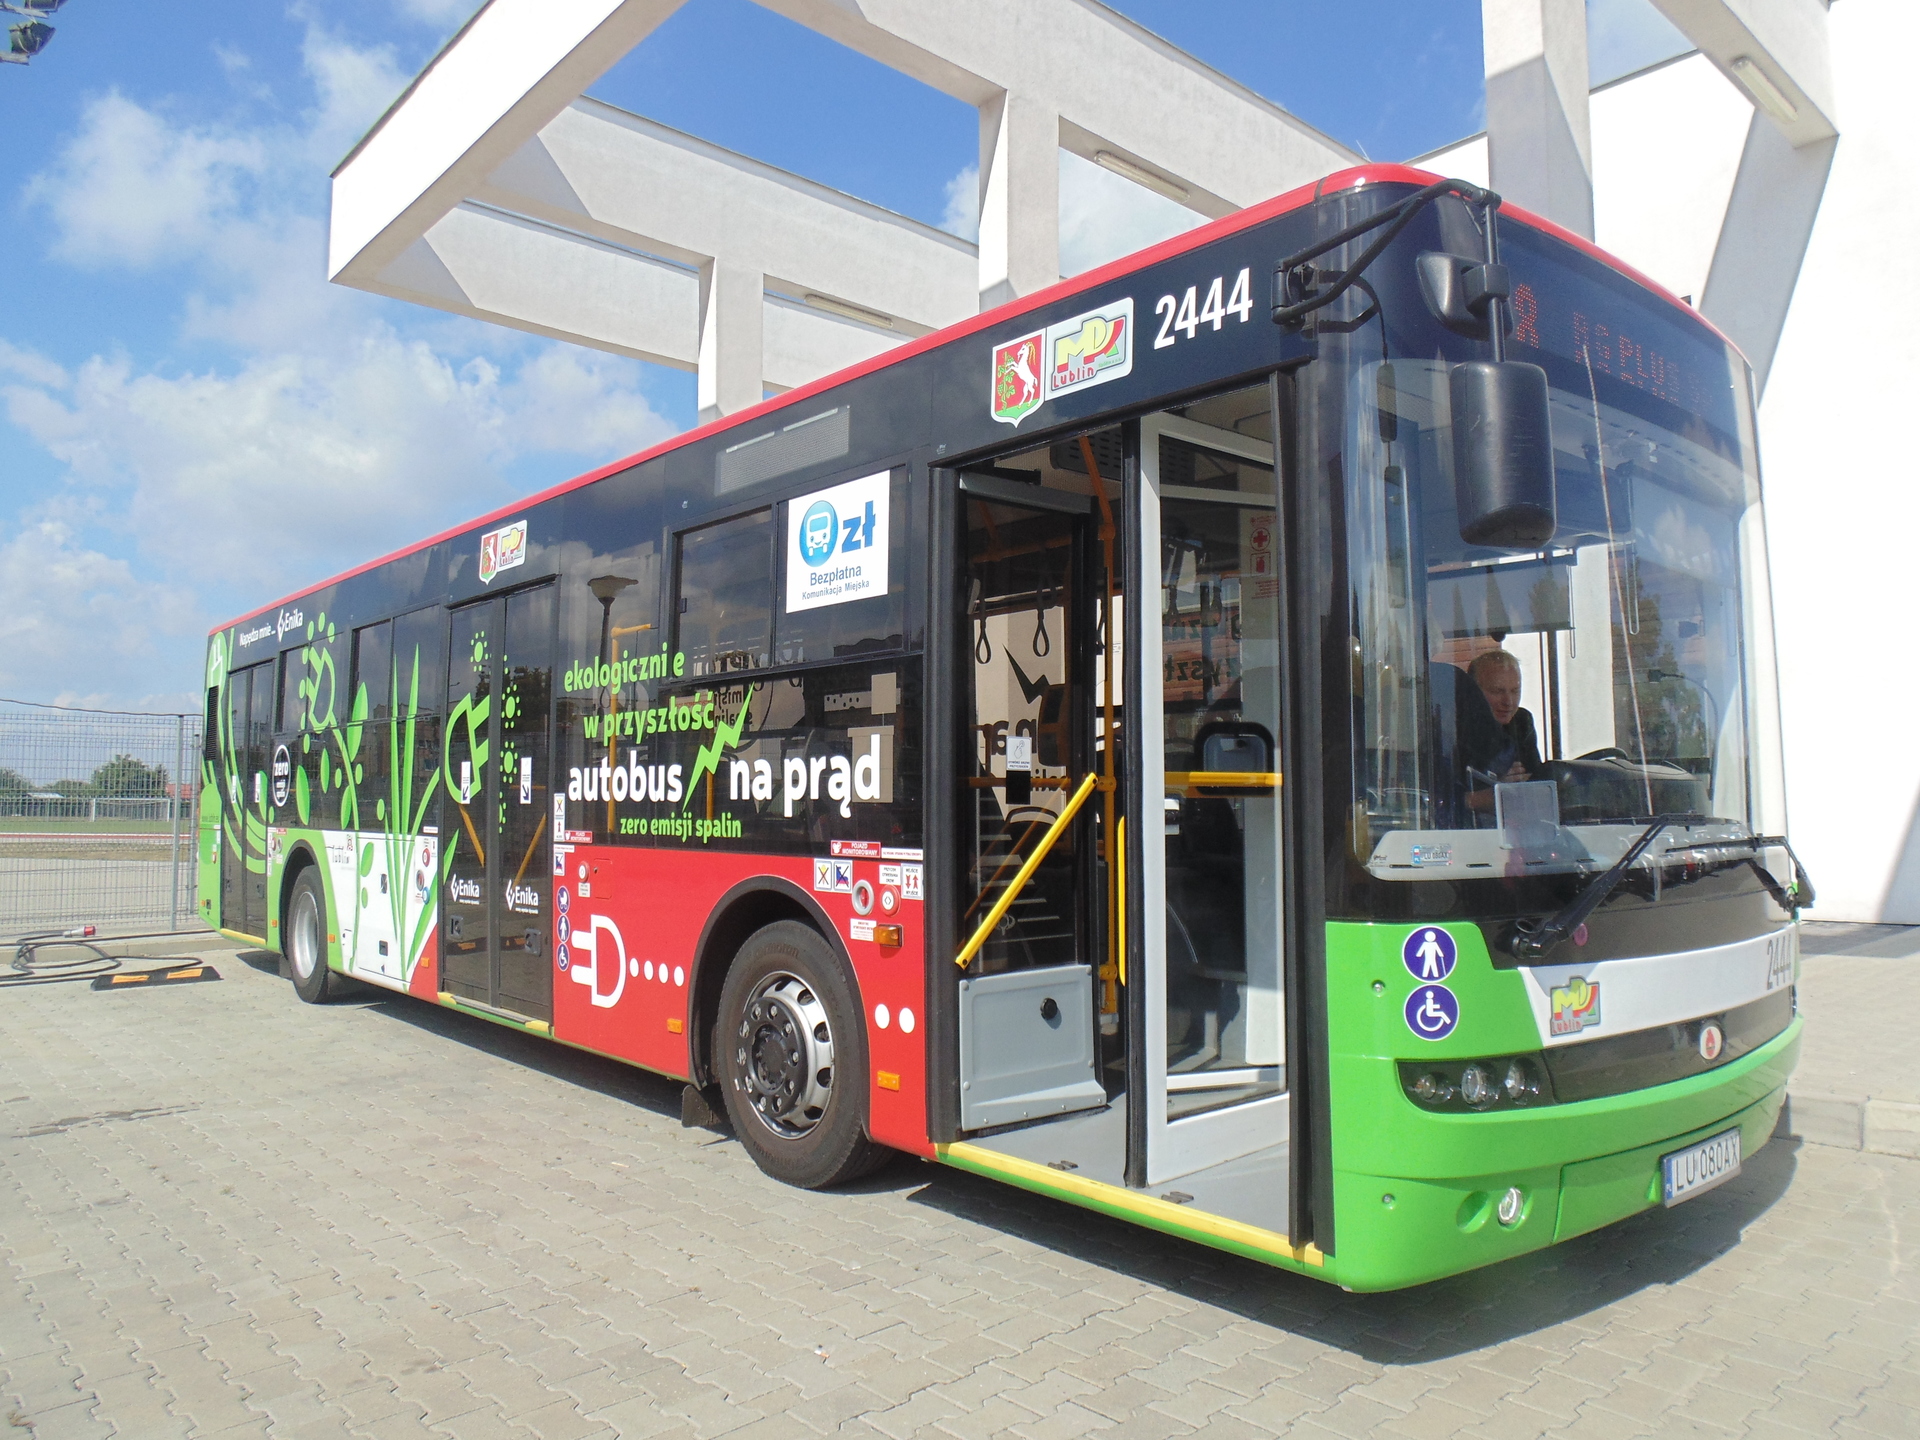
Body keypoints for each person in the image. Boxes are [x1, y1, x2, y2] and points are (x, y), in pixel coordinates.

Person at [1464, 648, 1543, 811]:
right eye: (1497, 691)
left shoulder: (1521, 722)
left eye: (1515, 691)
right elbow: (1446, 800)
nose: (1509, 702)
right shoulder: (1453, 730)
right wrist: (1497, 789)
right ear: (1472, 692)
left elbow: (1535, 782)